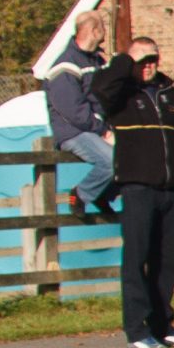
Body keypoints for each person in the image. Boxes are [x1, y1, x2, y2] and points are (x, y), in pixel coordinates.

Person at [91, 38, 174, 348]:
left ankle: (163, 324)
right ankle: (136, 330)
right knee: (136, 259)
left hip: (169, 188)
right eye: (142, 60)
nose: (148, 66)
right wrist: (125, 61)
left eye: (153, 59)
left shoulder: (168, 94)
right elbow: (101, 89)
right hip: (138, 186)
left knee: (165, 262)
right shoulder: (121, 92)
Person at [45, 11, 117, 218]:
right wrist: (103, 131)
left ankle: (103, 194)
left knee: (129, 159)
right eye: (102, 27)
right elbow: (73, 111)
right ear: (94, 31)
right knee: (112, 161)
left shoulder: (97, 61)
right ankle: (81, 194)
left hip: (96, 128)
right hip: (74, 131)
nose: (105, 31)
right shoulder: (65, 65)